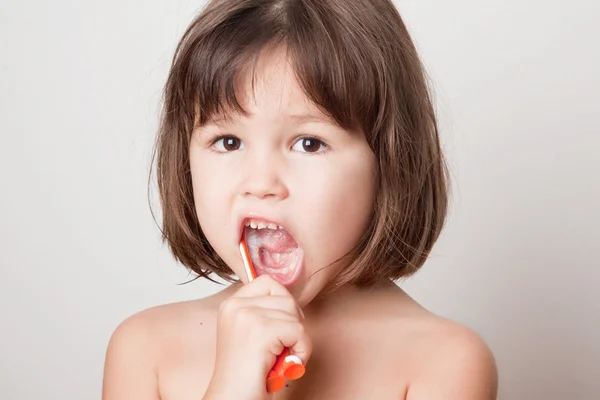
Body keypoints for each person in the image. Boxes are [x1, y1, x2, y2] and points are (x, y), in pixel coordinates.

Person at [102, 0, 498, 398]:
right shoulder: (145, 350)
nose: (260, 182)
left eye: (309, 144)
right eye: (228, 141)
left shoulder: (443, 362)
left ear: (388, 163)